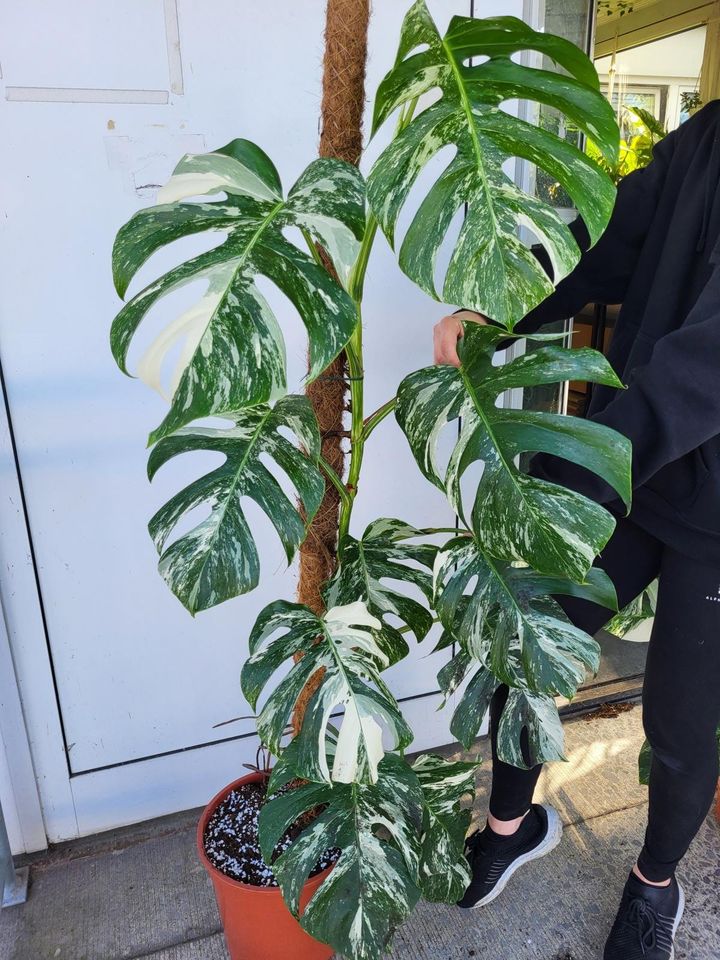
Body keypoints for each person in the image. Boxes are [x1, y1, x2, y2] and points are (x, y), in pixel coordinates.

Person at [432, 99, 720, 960]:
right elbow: (607, 236)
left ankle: (654, 883)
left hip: (702, 506)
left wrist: (589, 461)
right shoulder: (705, 137)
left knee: (681, 719)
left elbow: (705, 363)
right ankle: (510, 823)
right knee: (530, 643)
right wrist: (502, 302)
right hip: (632, 471)